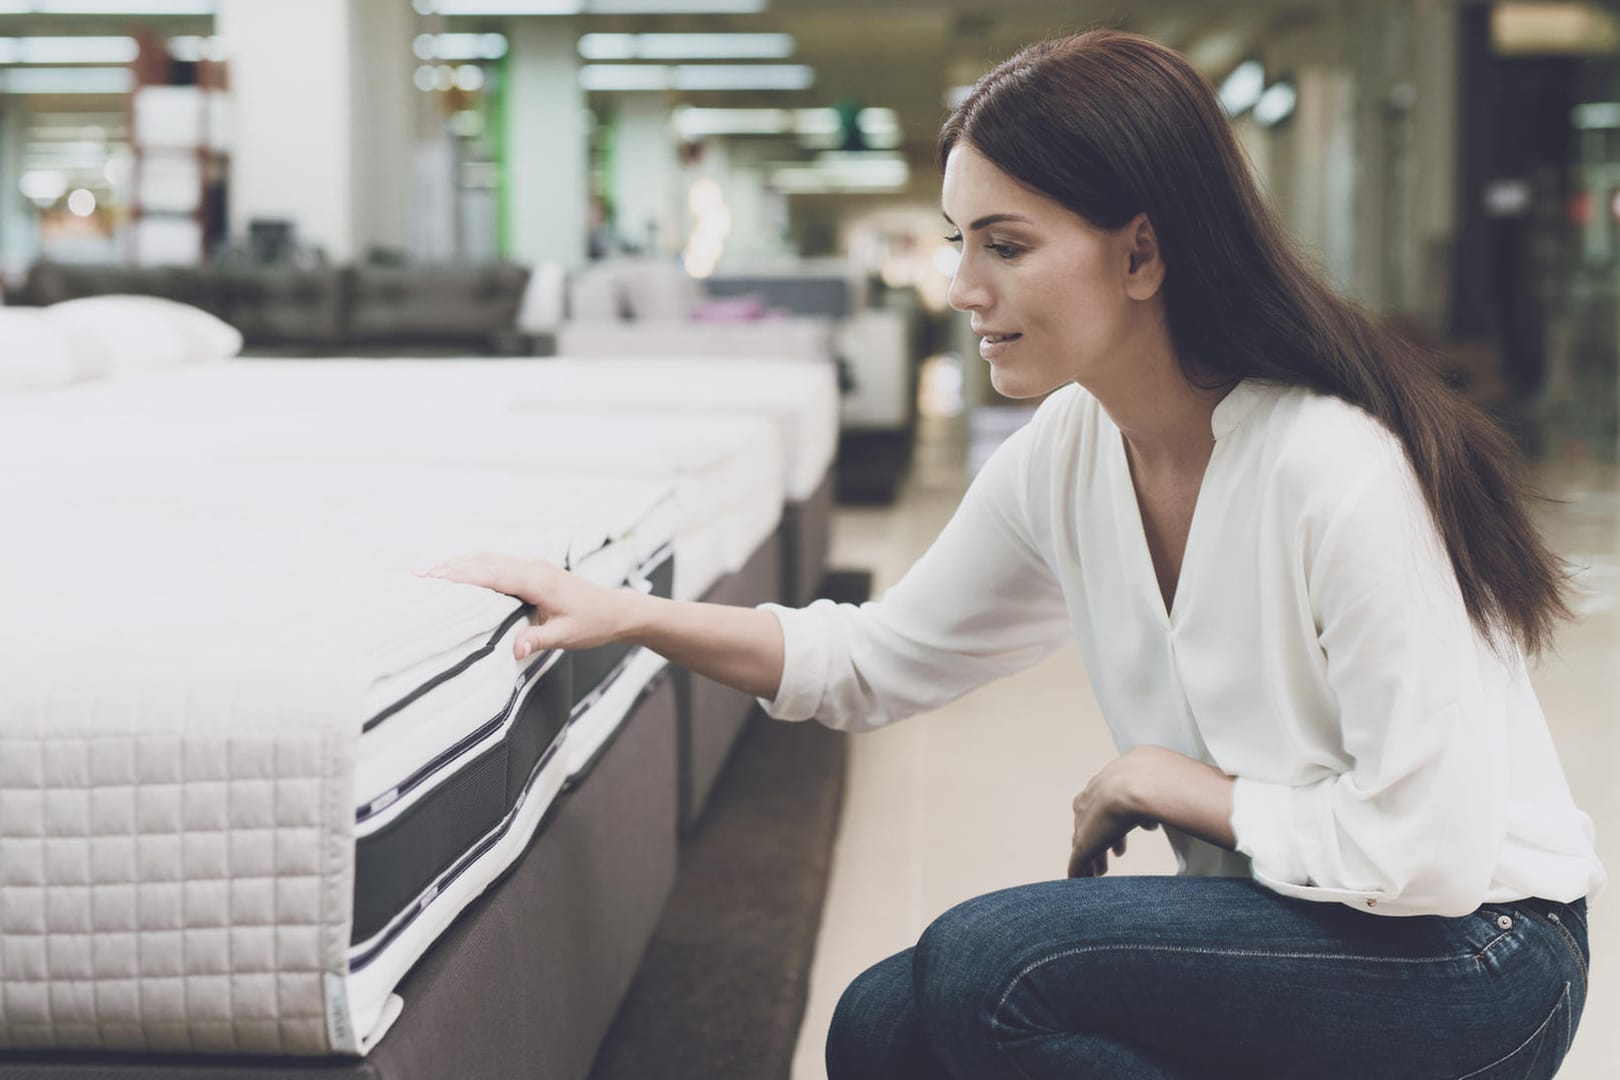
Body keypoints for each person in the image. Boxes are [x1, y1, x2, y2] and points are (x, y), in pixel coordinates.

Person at [423, 29, 1603, 1080]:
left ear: (1141, 255)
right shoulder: (1073, 450)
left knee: (992, 967)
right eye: (957, 242)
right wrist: (625, 612)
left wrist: (1167, 782)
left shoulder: (1333, 466)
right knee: (883, 1026)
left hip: (1479, 957)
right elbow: (876, 659)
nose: (961, 286)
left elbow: (1431, 858)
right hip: (1305, 921)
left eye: (1004, 244)